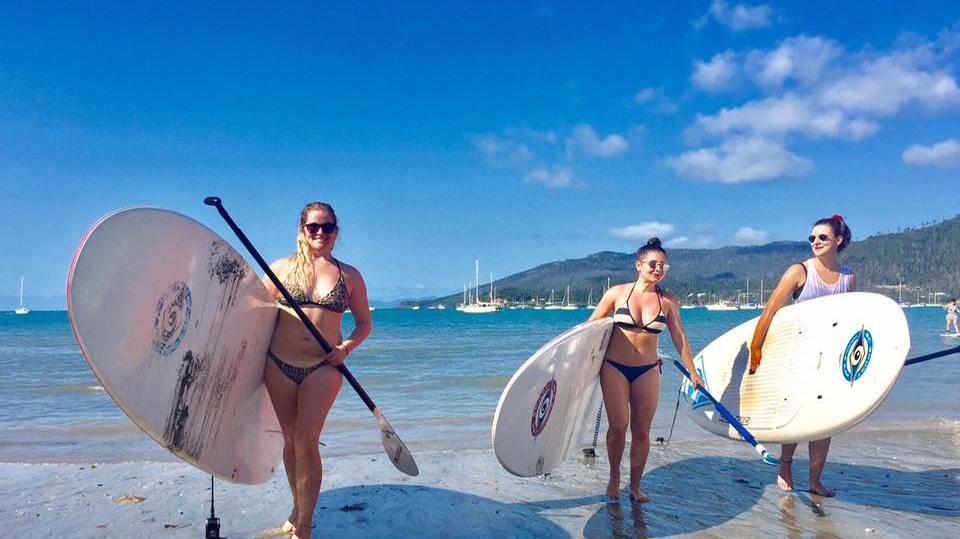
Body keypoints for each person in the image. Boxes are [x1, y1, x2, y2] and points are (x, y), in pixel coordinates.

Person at [262, 202, 372, 539]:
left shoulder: (349, 276)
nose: (320, 233)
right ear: (302, 231)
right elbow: (252, 318)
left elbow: (365, 324)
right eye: (313, 227)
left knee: (307, 441)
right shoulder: (280, 269)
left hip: (323, 369)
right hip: (277, 366)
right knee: (290, 441)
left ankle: (305, 526)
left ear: (336, 232)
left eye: (327, 227)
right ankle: (298, 508)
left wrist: (345, 349)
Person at [748, 214, 856, 497]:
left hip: (832, 357)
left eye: (822, 237)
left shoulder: (849, 277)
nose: (815, 242)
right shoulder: (800, 272)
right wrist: (756, 349)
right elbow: (770, 310)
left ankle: (815, 480)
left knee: (825, 421)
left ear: (838, 240)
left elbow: (852, 320)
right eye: (812, 238)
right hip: (800, 354)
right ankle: (785, 465)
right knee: (799, 415)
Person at [588, 237, 703, 503]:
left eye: (663, 265)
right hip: (614, 368)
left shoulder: (669, 302)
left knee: (641, 432)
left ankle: (635, 486)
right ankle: (614, 477)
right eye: (653, 263)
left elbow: (679, 337)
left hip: (647, 370)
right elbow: (591, 328)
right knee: (618, 427)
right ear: (638, 265)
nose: (658, 269)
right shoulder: (617, 293)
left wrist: (693, 371)